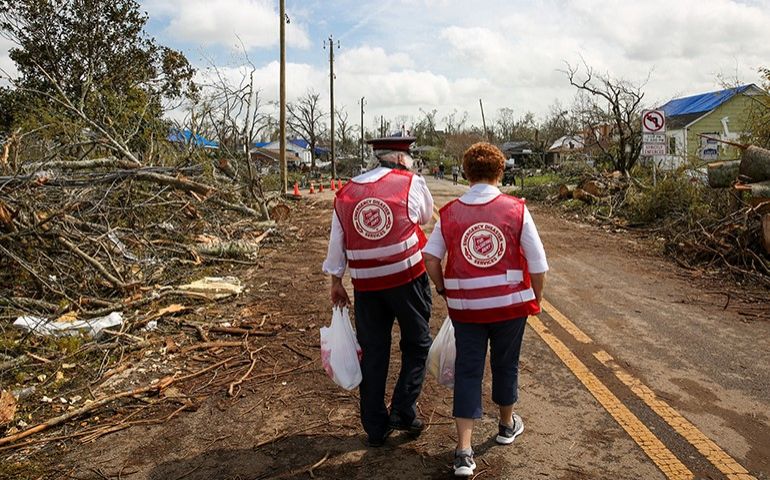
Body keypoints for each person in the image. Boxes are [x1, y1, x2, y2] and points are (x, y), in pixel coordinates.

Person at [423, 142, 548, 477]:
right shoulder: (516, 209)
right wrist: (535, 298)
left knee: (468, 371)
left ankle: (463, 451)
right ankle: (506, 425)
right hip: (510, 307)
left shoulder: (450, 213)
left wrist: (442, 288)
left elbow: (430, 257)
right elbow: (538, 264)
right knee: (505, 364)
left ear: (466, 173)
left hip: (466, 309)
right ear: (500, 171)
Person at [322, 136, 435, 448]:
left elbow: (337, 242)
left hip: (366, 284)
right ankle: (402, 409)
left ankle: (375, 427)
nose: (410, 161)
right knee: (418, 342)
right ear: (400, 159)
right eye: (409, 156)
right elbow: (424, 217)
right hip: (407, 279)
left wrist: (336, 281)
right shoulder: (410, 182)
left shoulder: (346, 193)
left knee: (373, 352)